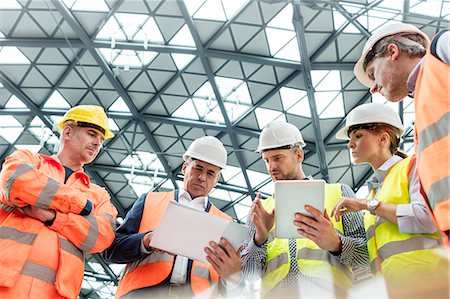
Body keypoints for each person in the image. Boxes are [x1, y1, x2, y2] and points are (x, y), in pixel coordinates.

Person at [0, 105, 118, 299]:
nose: (98, 143)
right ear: (68, 132)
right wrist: (81, 205)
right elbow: (17, 181)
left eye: (101, 139)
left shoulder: (99, 194)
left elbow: (102, 236)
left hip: (56, 293)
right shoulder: (29, 160)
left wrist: (52, 217)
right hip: (6, 284)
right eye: (92, 134)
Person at [103, 136, 243, 298]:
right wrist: (146, 241)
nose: (202, 177)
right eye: (198, 168)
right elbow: (111, 251)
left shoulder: (227, 224)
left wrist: (233, 274)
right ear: (185, 167)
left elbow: (229, 287)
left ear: (216, 180)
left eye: (210, 173)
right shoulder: (150, 201)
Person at [241, 121, 369, 298]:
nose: (271, 167)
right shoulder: (260, 210)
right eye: (267, 160)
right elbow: (247, 274)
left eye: (277, 158)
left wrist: (336, 244)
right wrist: (259, 239)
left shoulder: (339, 193)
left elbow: (368, 256)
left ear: (299, 155)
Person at [332, 102, 449, 298]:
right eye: (350, 139)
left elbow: (428, 219)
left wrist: (367, 205)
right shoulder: (375, 194)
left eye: (358, 136)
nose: (350, 144)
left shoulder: (413, 167)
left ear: (383, 138)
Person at [353, 21, 450, 240]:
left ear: (393, 52)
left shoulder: (442, 48)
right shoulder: (425, 107)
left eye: (372, 72)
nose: (373, 87)